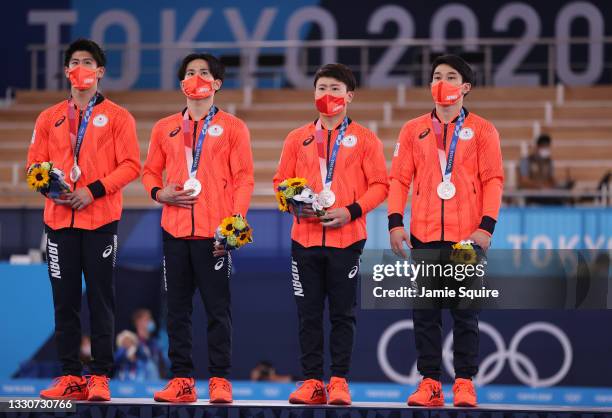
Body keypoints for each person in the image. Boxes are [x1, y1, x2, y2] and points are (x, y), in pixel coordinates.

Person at [388, 55, 504, 407]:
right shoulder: (412, 130)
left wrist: (486, 228)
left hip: (467, 237)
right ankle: (430, 384)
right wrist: (395, 222)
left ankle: (465, 383)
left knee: (465, 313)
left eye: (450, 77)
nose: (442, 82)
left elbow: (494, 181)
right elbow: (399, 179)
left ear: (465, 87)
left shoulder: (483, 130)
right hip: (423, 233)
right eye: (437, 76)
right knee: (425, 314)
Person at [29, 38, 141, 402]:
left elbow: (131, 166)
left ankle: (100, 376)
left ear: (100, 71)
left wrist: (91, 190)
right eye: (75, 61)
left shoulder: (120, 117)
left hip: (100, 220)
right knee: (64, 301)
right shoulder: (48, 118)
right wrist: (51, 188)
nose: (81, 67)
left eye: (88, 62)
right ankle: (69, 375)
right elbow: (35, 165)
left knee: (101, 299)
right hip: (59, 221)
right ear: (66, 70)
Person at [273, 63, 389, 405]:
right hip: (304, 239)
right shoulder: (297, 138)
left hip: (347, 239)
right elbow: (280, 182)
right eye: (322, 88)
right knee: (308, 314)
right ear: (314, 94)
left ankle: (338, 381)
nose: (328, 95)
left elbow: (381, 185)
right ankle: (312, 382)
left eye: (336, 89)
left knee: (342, 314)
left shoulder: (366, 139)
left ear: (349, 96)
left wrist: (350, 211)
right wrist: (295, 205)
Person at [142, 53, 254, 403]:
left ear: (217, 83)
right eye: (189, 72)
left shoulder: (234, 128)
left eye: (204, 73)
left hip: (215, 236)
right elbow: (148, 172)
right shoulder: (164, 128)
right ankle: (182, 380)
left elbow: (244, 179)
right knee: (176, 310)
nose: (196, 78)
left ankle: (220, 379)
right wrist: (160, 193)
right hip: (174, 231)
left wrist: (234, 223)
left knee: (218, 310)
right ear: (181, 83)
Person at [518, 134, 573, 205]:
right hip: (532, 194)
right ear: (537, 147)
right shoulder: (526, 161)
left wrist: (560, 185)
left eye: (548, 147)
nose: (546, 149)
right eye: (544, 147)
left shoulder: (549, 162)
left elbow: (551, 179)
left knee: (563, 198)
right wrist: (541, 186)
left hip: (546, 194)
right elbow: (524, 181)